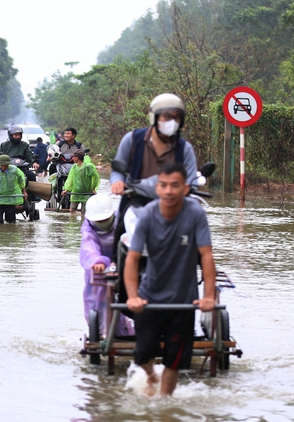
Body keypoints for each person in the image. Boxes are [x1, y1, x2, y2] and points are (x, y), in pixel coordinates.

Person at [124, 162, 216, 397]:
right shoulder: (147, 216)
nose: (169, 191)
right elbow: (132, 259)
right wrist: (133, 297)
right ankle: (151, 375)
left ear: (185, 188)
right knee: (143, 354)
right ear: (157, 189)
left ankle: (164, 407)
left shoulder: (195, 214)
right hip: (149, 298)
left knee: (174, 361)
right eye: (163, 186)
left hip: (182, 301)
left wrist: (208, 296)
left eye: (175, 186)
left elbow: (206, 256)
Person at [110, 93, 198, 195]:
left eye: (176, 117)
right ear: (154, 117)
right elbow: (117, 171)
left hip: (171, 205)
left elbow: (192, 182)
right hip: (134, 203)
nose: (172, 121)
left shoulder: (184, 149)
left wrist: (188, 189)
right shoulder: (132, 140)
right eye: (167, 116)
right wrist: (118, 182)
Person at [80, 195, 134, 336]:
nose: (103, 222)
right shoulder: (89, 230)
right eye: (99, 221)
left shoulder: (123, 222)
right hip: (100, 268)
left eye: (105, 219)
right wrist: (97, 262)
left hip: (125, 264)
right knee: (97, 297)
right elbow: (89, 248)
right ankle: (101, 330)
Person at [0, 125, 39, 201]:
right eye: (15, 135)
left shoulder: (24, 145)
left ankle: (32, 196)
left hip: (22, 169)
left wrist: (34, 162)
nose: (17, 137)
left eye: (19, 135)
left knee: (31, 175)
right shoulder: (4, 145)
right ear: (10, 136)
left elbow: (29, 155)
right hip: (7, 169)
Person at [0, 154, 27, 224]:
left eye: (6, 165)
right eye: (2, 165)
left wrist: (24, 191)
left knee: (11, 221)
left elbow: (21, 180)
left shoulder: (14, 170)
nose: (4, 167)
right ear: (0, 165)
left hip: (11, 197)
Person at [61, 149, 99, 214]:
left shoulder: (88, 167)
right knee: (72, 211)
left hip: (86, 194)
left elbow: (95, 177)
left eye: (73, 157)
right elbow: (70, 179)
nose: (72, 158)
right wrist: (66, 190)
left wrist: (93, 188)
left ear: (77, 158)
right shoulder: (74, 167)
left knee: (84, 214)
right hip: (76, 193)